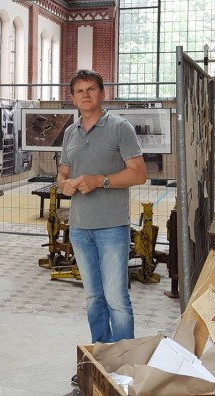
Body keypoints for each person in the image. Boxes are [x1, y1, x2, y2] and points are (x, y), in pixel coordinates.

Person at [57, 69, 147, 350]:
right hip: (79, 228)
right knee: (93, 296)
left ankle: (124, 358)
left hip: (111, 227)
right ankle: (101, 351)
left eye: (91, 89)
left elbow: (139, 174)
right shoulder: (70, 132)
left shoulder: (120, 128)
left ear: (102, 93)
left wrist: (101, 181)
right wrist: (63, 184)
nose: (85, 95)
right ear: (73, 98)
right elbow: (63, 172)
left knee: (116, 297)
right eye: (79, 91)